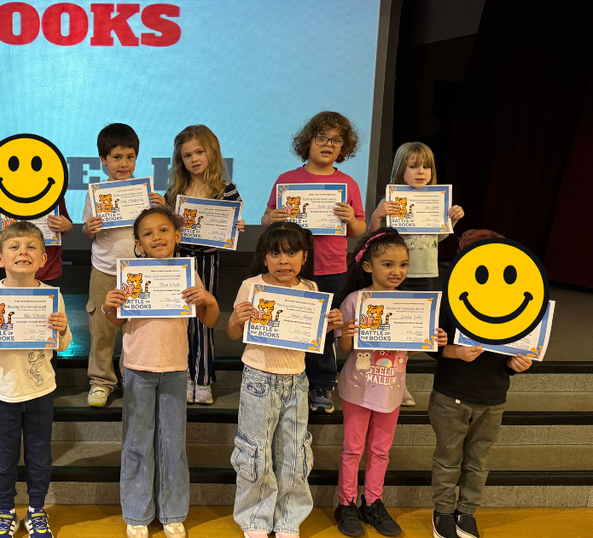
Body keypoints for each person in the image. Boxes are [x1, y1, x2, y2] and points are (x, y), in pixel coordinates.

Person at [102, 207, 219, 538]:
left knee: (172, 442)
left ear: (178, 236)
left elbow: (209, 320)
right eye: (148, 233)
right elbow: (119, 321)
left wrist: (207, 298)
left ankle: (172, 511)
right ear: (138, 242)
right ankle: (137, 512)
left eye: (164, 230)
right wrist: (111, 306)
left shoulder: (187, 274)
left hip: (175, 369)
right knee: (138, 440)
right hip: (138, 368)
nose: (157, 237)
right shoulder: (130, 274)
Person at [226, 222, 342, 538]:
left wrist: (330, 324)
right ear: (265, 257)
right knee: (255, 451)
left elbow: (315, 339)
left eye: (292, 253)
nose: (283, 261)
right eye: (275, 253)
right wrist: (236, 319)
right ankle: (255, 519)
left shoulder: (311, 291)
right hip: (258, 380)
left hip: (296, 381)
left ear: (305, 257)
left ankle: (288, 519)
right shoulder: (252, 286)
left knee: (294, 453)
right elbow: (234, 334)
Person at [333, 228, 447, 537]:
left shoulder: (413, 304)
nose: (397, 271)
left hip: (392, 390)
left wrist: (434, 338)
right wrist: (348, 334)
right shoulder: (355, 301)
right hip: (358, 387)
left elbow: (420, 343)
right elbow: (344, 348)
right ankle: (347, 503)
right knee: (353, 449)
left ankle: (373, 501)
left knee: (381, 450)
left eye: (404, 264)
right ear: (368, 266)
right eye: (388, 264)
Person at [0, 222, 72, 538]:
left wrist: (63, 329)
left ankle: (37, 510)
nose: (22, 252)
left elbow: (62, 346)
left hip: (40, 391)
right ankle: (6, 511)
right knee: (2, 457)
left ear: (42, 259)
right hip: (2, 392)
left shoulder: (52, 296)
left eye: (31, 247)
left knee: (40, 457)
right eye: (14, 246)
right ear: (0, 259)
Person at [262, 111, 366, 413]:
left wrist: (350, 220)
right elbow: (266, 219)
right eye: (322, 138)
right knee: (291, 325)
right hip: (289, 270)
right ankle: (290, 383)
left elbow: (359, 228)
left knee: (323, 333)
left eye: (336, 140)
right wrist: (273, 218)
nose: (328, 144)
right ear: (307, 141)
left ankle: (322, 385)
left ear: (343, 148)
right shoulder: (287, 181)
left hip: (332, 268)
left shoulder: (347, 184)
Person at [430, 229, 532, 538]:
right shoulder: (451, 300)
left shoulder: (518, 305)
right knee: (448, 459)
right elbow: (431, 346)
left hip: (493, 397)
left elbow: (516, 354)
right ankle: (443, 512)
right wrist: (455, 351)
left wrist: (517, 364)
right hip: (451, 394)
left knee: (478, 460)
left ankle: (467, 511)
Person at [368, 141, 465, 406]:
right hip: (392, 276)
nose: (421, 172)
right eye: (413, 167)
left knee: (410, 331)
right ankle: (379, 377)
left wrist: (451, 219)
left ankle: (400, 381)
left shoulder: (437, 199)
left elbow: (439, 235)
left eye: (426, 167)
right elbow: (372, 237)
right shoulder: (390, 200)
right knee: (390, 328)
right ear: (401, 170)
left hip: (423, 274)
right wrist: (378, 216)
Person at [83, 123, 167, 408]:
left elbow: (158, 229)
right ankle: (100, 381)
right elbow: (87, 232)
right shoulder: (97, 193)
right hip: (104, 270)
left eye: (130, 157)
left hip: (138, 272)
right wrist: (89, 228)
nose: (124, 163)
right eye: (117, 157)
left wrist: (162, 208)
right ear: (104, 160)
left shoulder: (146, 191)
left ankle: (131, 378)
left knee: (135, 330)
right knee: (102, 329)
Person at [165, 125, 245, 405]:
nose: (194, 159)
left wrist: (236, 226)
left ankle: (203, 379)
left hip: (208, 260)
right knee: (182, 321)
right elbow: (166, 227)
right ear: (180, 160)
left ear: (212, 152)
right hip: (179, 262)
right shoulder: (175, 191)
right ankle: (184, 376)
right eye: (187, 155)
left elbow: (233, 224)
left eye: (200, 152)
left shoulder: (226, 190)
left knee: (204, 321)